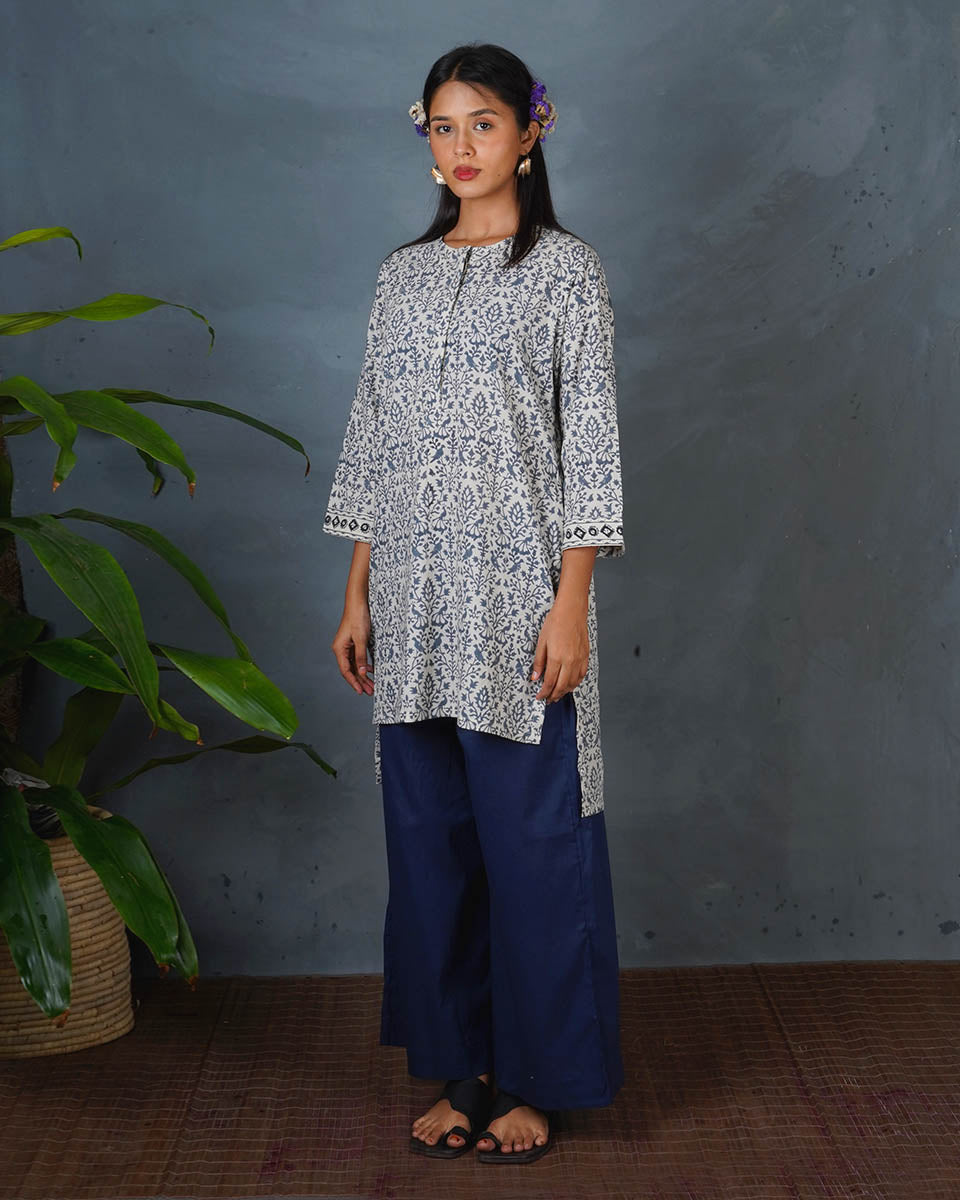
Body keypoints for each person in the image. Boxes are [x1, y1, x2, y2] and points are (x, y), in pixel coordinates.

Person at [323, 42, 625, 1165]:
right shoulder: (401, 276)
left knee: (535, 848)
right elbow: (372, 434)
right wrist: (356, 591)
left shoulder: (567, 273)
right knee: (432, 849)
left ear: (531, 132)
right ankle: (462, 1071)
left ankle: (537, 1078)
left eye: (483, 124)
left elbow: (591, 446)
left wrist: (571, 604)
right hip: (410, 607)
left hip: (518, 605)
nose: (462, 147)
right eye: (443, 127)